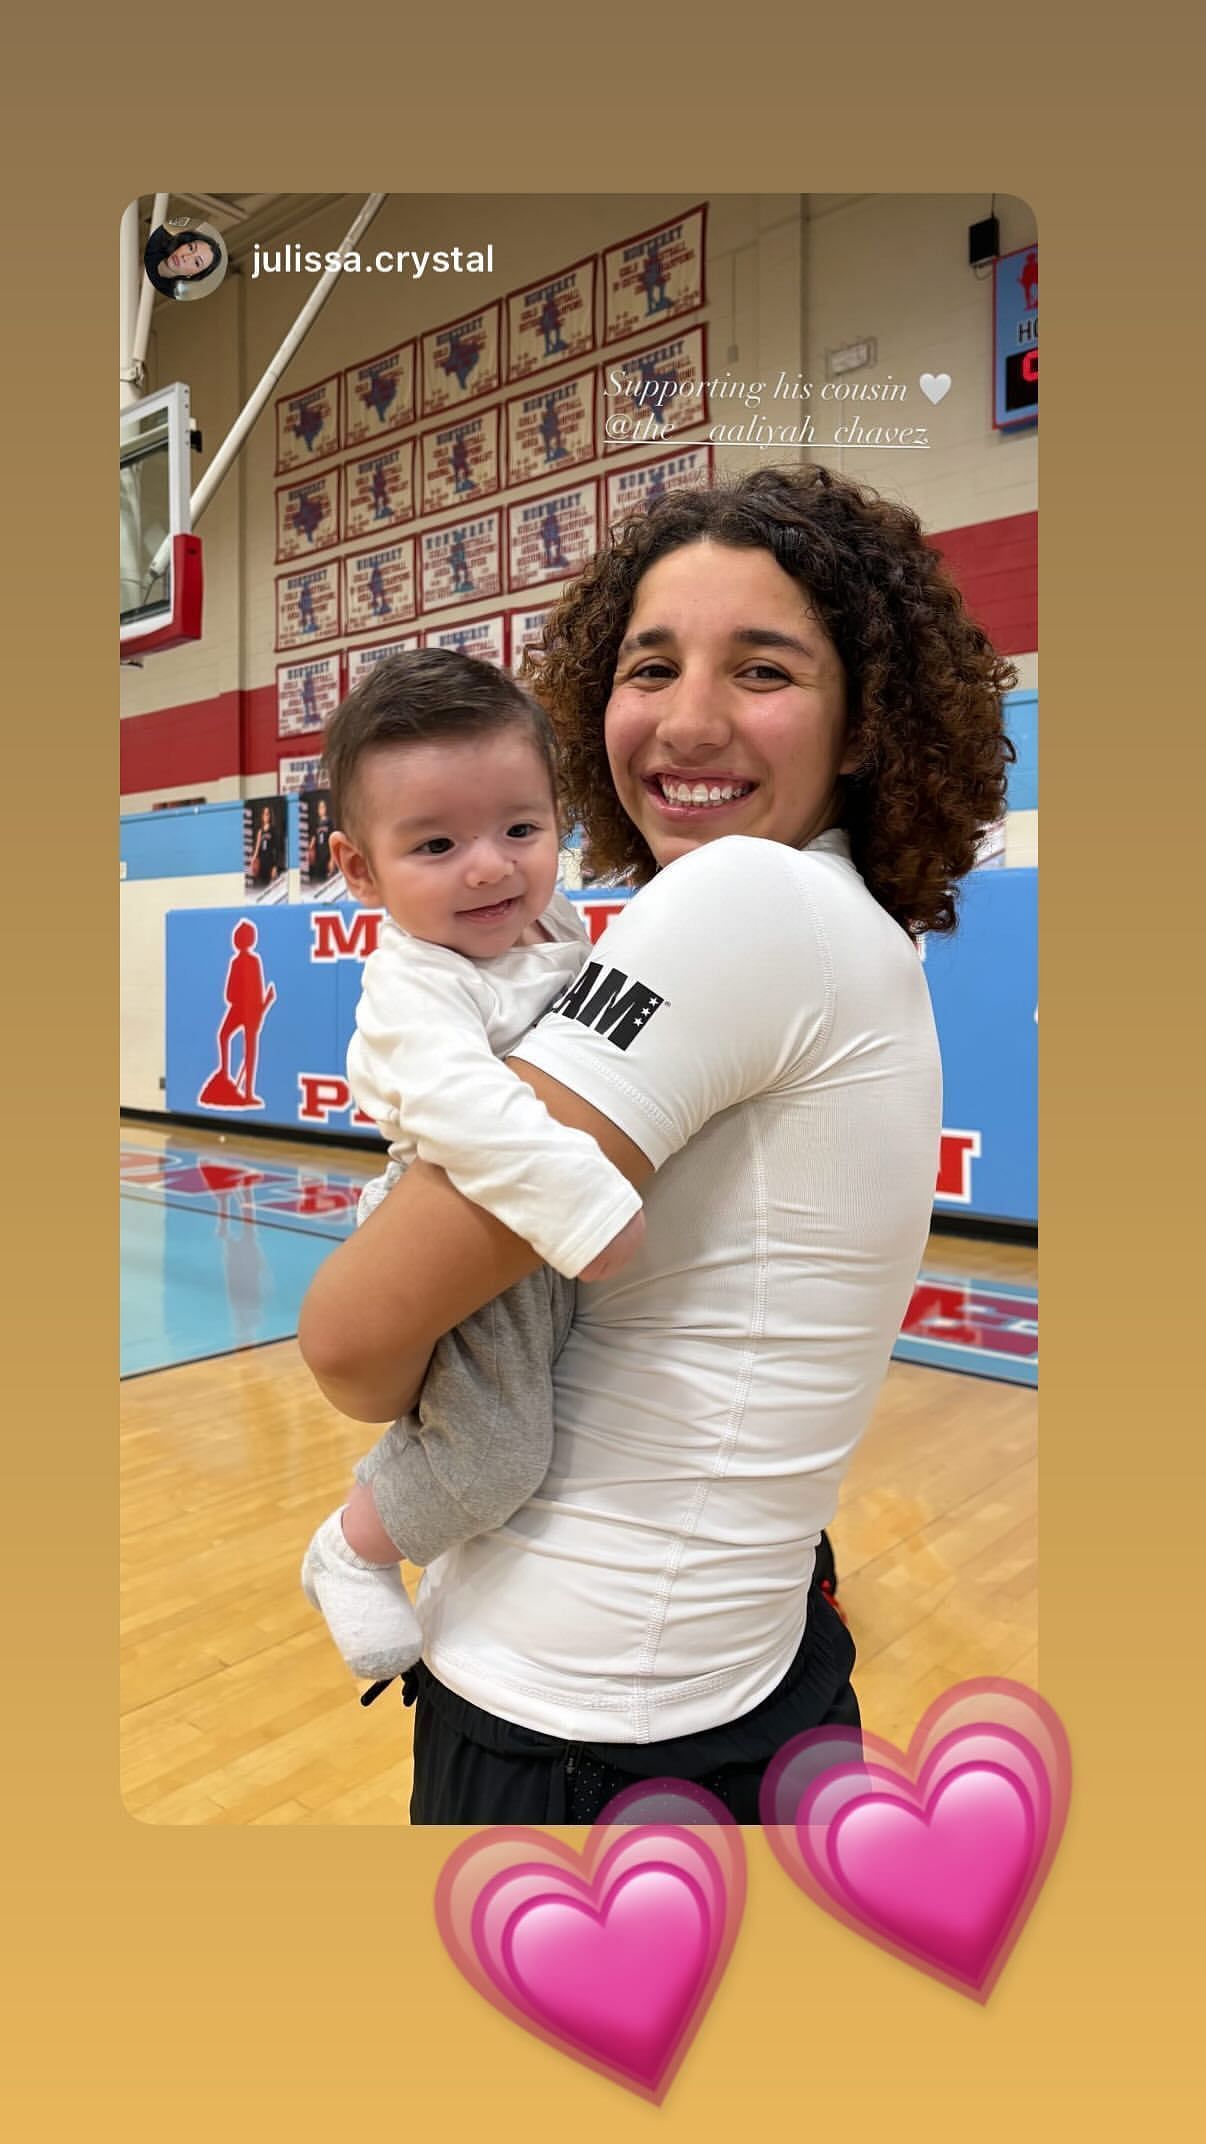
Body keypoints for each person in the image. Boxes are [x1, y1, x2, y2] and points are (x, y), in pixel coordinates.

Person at [299, 464, 1016, 1823]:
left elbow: (347, 1337)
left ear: (865, 720)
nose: (686, 722)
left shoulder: (743, 901)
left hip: (582, 1711)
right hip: (751, 1664)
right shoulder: (846, 921)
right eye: (649, 665)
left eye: (760, 670)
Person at [300, 649, 646, 1680]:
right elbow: (471, 1112)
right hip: (457, 1203)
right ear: (361, 871)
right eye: (438, 843)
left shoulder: (552, 925)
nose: (490, 867)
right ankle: (352, 1547)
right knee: (497, 1455)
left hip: (535, 1227)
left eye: (521, 829)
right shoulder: (415, 981)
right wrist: (585, 1205)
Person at [143, 225, 225, 299]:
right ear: (184, 243)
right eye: (190, 248)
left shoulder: (166, 294)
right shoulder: (155, 236)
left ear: (194, 275)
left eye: (196, 262)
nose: (185, 257)